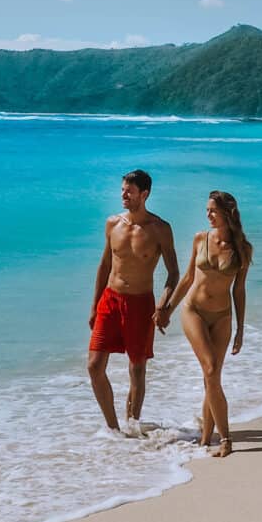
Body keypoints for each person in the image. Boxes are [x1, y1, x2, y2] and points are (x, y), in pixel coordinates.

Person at [87, 169, 179, 435]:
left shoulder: (160, 229)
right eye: (122, 190)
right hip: (110, 300)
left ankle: (131, 425)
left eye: (129, 191)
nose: (123, 195)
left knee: (137, 368)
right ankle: (113, 429)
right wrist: (94, 306)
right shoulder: (112, 223)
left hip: (141, 303)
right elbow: (105, 265)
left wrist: (163, 306)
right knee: (94, 366)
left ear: (144, 194)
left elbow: (173, 273)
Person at [164, 190, 252, 457]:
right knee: (211, 370)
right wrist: (167, 308)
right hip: (194, 311)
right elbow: (189, 277)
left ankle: (204, 440)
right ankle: (225, 439)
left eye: (213, 210)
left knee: (211, 378)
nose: (208, 215)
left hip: (222, 315)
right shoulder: (200, 239)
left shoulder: (242, 249)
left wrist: (240, 328)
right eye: (207, 210)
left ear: (227, 213)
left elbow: (239, 290)